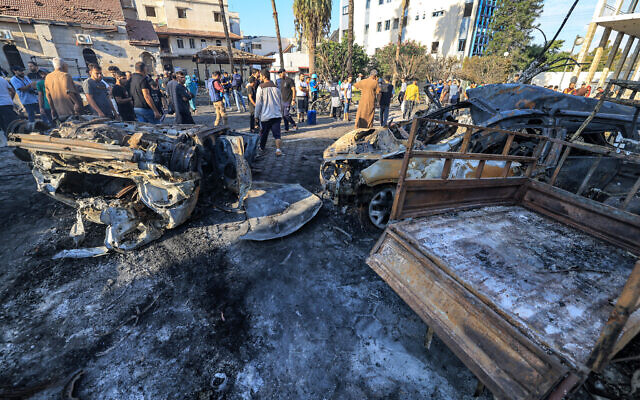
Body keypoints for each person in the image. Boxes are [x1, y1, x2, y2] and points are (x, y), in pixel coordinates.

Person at [255, 69, 284, 156]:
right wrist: (281, 113)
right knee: (277, 135)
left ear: (264, 76)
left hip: (265, 116)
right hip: (276, 115)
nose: (260, 77)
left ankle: (262, 148)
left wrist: (256, 116)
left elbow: (258, 103)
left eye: (260, 76)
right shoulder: (276, 88)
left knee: (264, 133)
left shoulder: (261, 87)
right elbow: (281, 102)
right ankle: (278, 150)